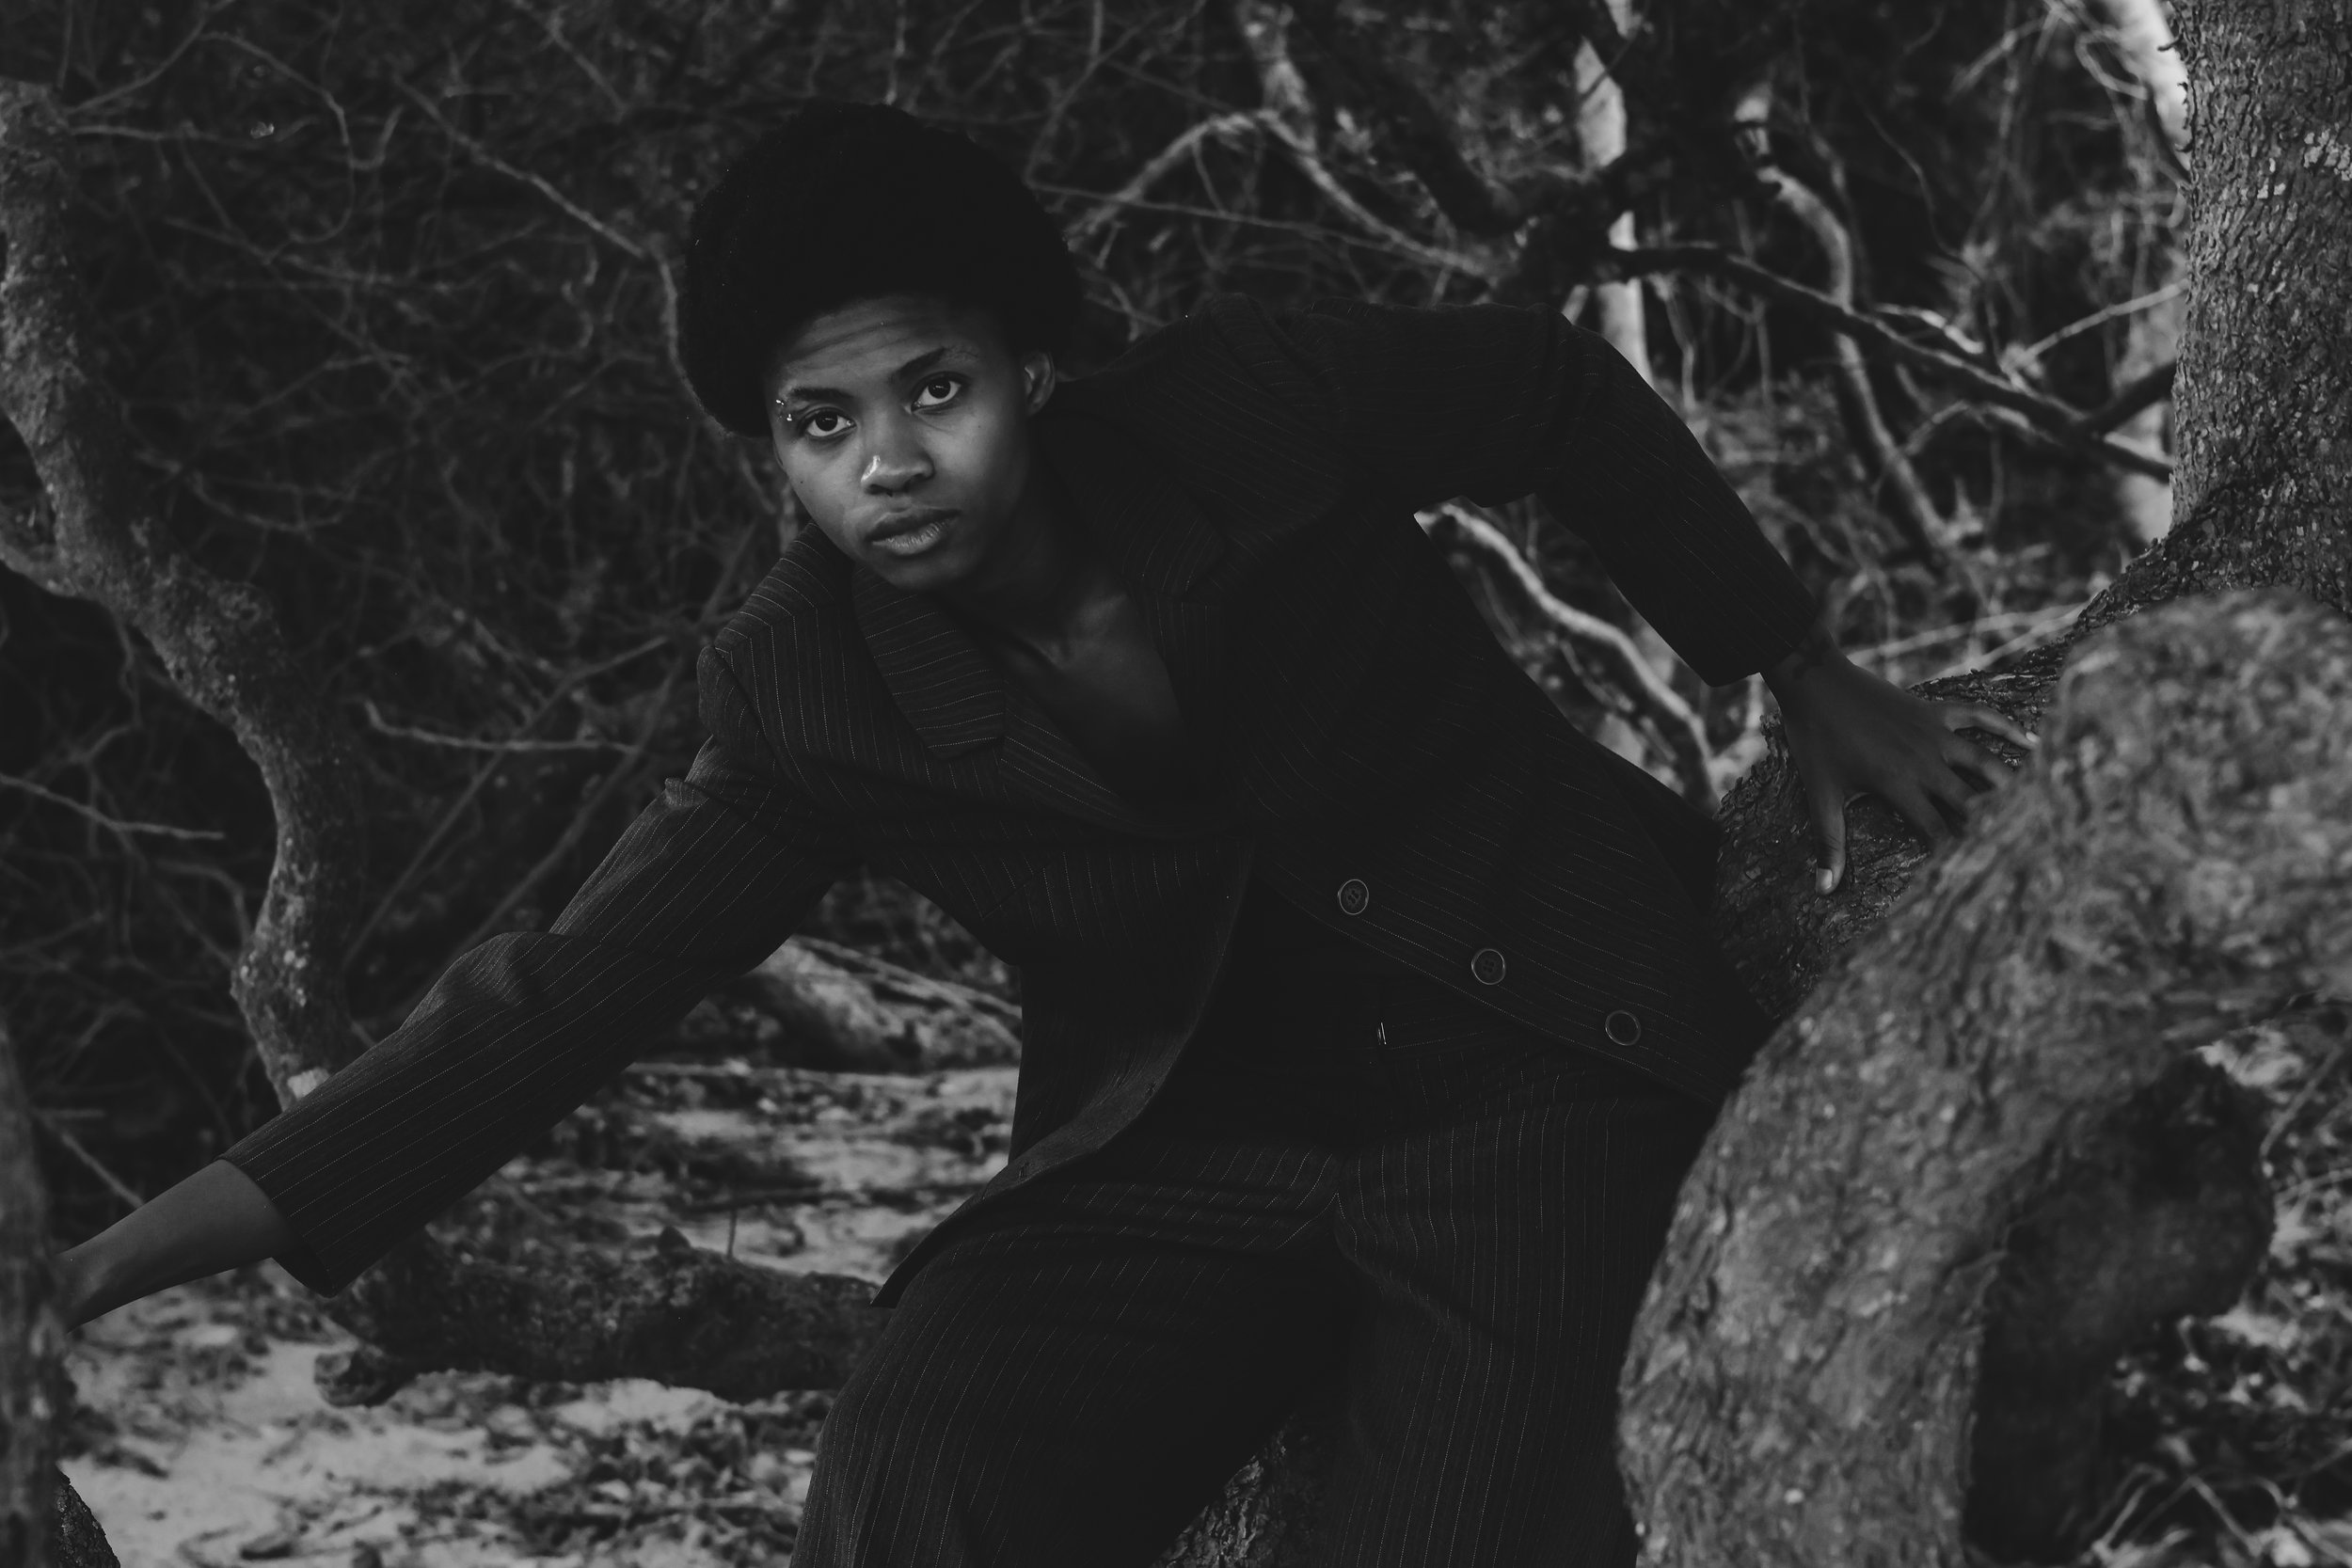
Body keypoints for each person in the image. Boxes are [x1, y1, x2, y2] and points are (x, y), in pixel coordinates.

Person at [54, 102, 2031, 1565]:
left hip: (1538, 1067)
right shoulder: (805, 691)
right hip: (1186, 1141)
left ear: (1034, 366)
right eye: (823, 426)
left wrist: (1798, 666)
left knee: (1455, 1533)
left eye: (935, 388)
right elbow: (558, 1000)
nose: (892, 463)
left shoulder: (1252, 406)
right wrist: (107, 1264)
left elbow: (1551, 394)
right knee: (923, 1457)